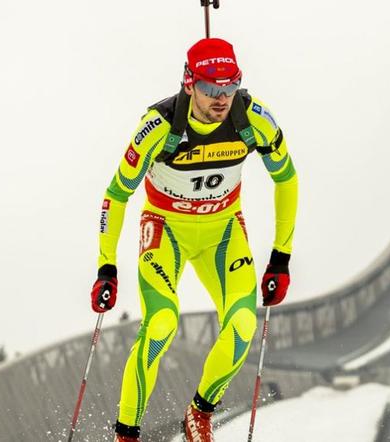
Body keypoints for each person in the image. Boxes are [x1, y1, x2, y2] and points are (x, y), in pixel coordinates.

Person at [89, 37, 298, 442]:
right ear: (189, 83)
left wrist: (281, 258)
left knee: (242, 323)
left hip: (222, 231)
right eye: (210, 89)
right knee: (162, 323)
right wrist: (106, 266)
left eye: (229, 87)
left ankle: (199, 412)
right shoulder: (159, 126)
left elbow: (286, 179)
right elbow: (116, 195)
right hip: (166, 230)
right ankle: (126, 434)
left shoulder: (253, 119)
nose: (221, 98)